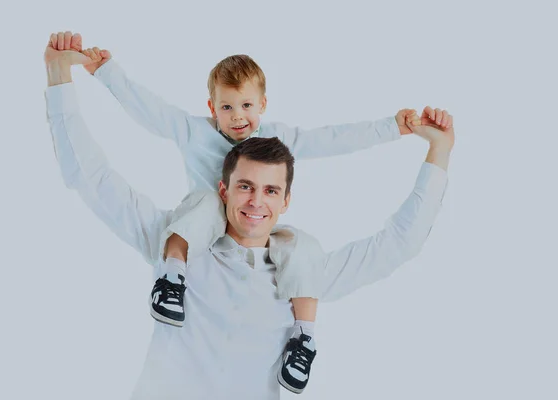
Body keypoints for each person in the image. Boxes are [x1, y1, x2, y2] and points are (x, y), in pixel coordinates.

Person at [44, 34, 454, 399]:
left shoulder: (303, 275)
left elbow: (401, 241)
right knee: (195, 212)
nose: (256, 201)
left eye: (271, 190)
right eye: (245, 186)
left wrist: (436, 149)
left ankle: (304, 340)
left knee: (302, 246)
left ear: (285, 202)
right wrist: (60, 73)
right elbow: (89, 174)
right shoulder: (176, 242)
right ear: (224, 190)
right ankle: (170, 288)